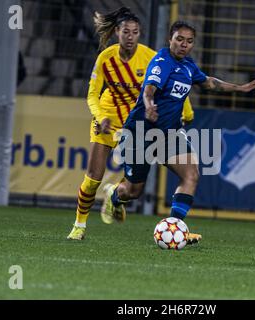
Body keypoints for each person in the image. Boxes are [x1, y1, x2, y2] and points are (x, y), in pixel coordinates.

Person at [101, 21, 255, 244]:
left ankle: (176, 228)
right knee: (133, 191)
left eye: (189, 41)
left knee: (191, 174)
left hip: (169, 134)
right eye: (179, 39)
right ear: (170, 40)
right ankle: (114, 196)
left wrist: (238, 88)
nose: (184, 45)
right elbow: (149, 89)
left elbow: (209, 82)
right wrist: (148, 106)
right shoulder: (161, 62)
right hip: (140, 132)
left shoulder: (188, 66)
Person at [67, 8, 195, 240]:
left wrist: (187, 111)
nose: (130, 36)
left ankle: (115, 195)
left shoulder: (150, 57)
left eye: (135, 32)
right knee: (93, 177)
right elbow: (92, 95)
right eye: (126, 31)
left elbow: (175, 82)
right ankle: (79, 225)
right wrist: (100, 116)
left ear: (139, 34)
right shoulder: (106, 58)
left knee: (135, 190)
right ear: (117, 32)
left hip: (137, 124)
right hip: (108, 118)